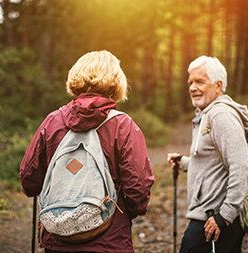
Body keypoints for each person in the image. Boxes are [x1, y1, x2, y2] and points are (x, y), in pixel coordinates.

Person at [19, 50, 155, 253]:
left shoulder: (52, 121)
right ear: (116, 81)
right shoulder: (122, 125)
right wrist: (126, 211)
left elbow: (29, 181)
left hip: (58, 238)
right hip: (109, 239)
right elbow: (138, 188)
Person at [167, 56, 248, 253]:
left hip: (213, 219)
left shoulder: (220, 115)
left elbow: (241, 166)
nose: (192, 88)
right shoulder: (207, 113)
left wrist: (225, 216)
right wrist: (185, 162)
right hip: (212, 217)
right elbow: (213, 160)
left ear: (218, 85)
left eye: (199, 81)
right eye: (190, 82)